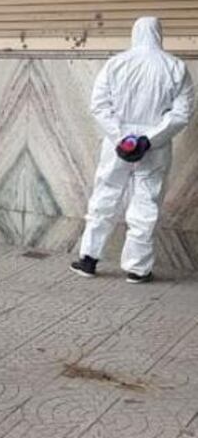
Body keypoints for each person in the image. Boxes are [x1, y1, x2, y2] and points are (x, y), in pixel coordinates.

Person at [71, 17, 194, 284]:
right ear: (160, 34)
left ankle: (89, 259)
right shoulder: (175, 67)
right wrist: (148, 140)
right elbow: (182, 114)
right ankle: (138, 268)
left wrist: (121, 138)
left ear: (135, 33)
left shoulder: (116, 64)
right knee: (146, 203)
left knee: (105, 195)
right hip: (155, 148)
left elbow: (100, 106)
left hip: (116, 146)